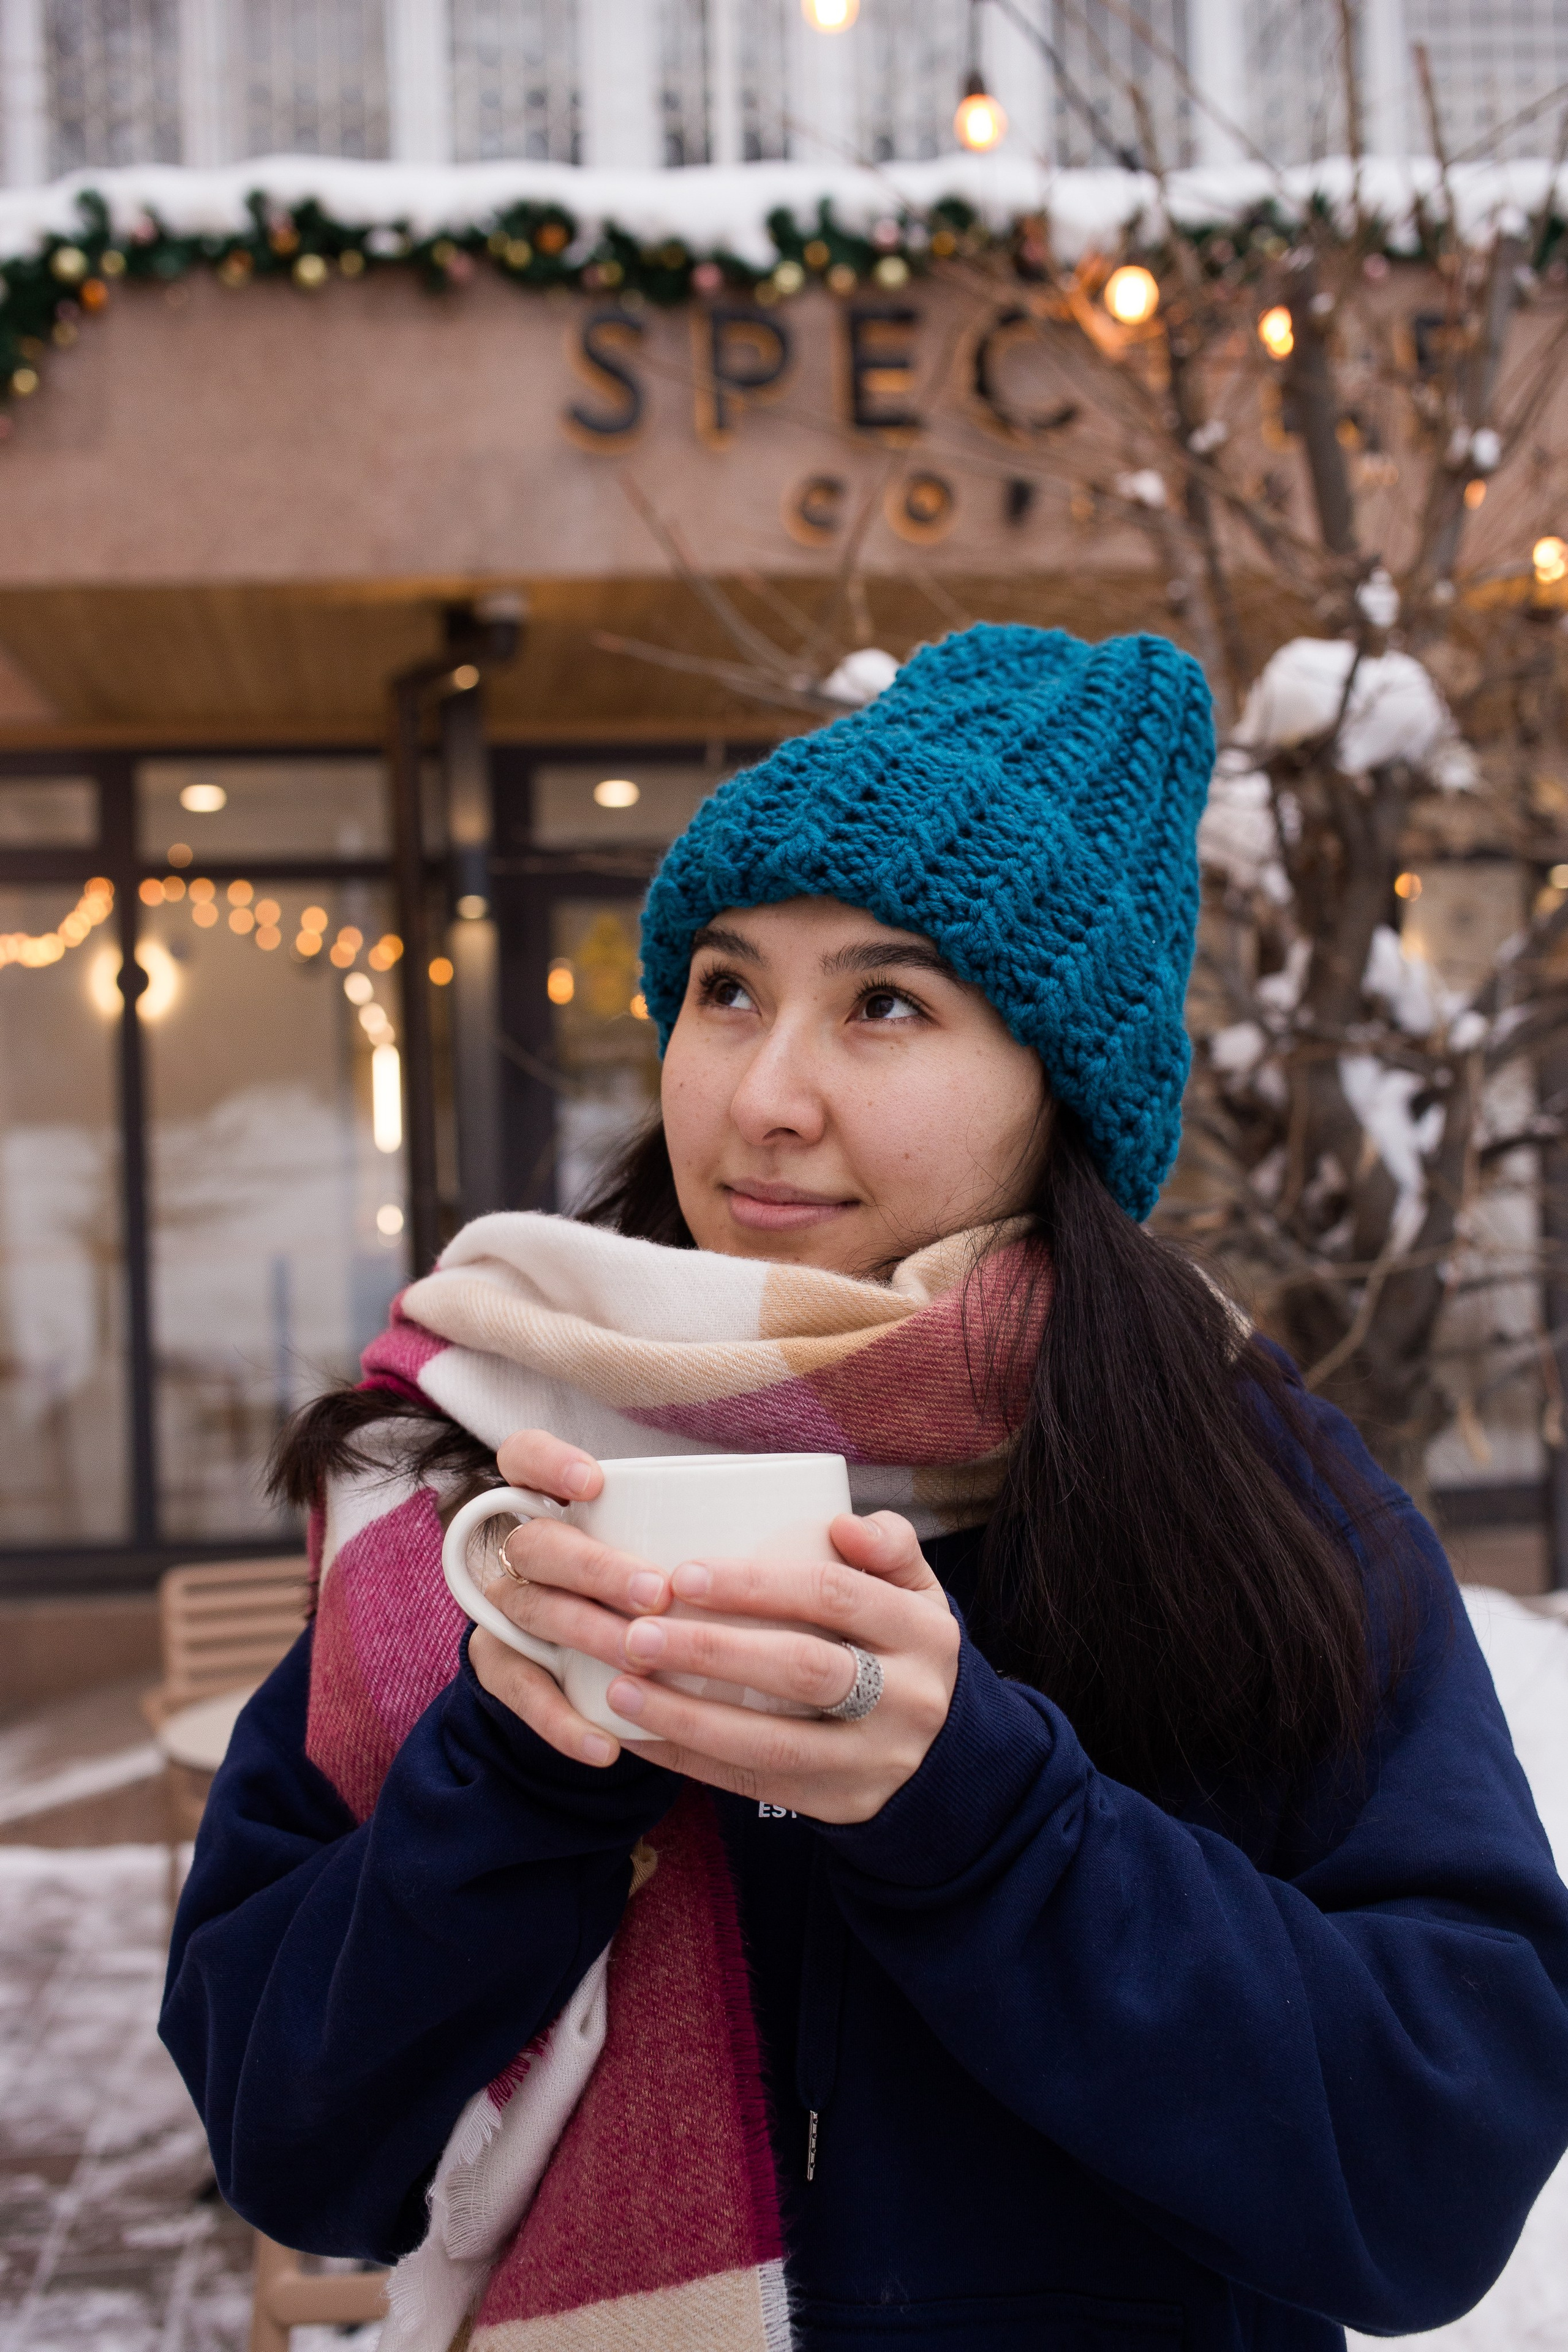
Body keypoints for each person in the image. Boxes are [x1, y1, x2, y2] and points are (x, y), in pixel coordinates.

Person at [162, 625, 1568, 2352]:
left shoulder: (1251, 1493)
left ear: (1057, 1085)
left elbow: (1436, 2172)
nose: (763, 1097)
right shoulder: (471, 1450)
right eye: (727, 989)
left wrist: (983, 1819)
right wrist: (516, 1772)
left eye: (886, 1004)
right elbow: (288, 2146)